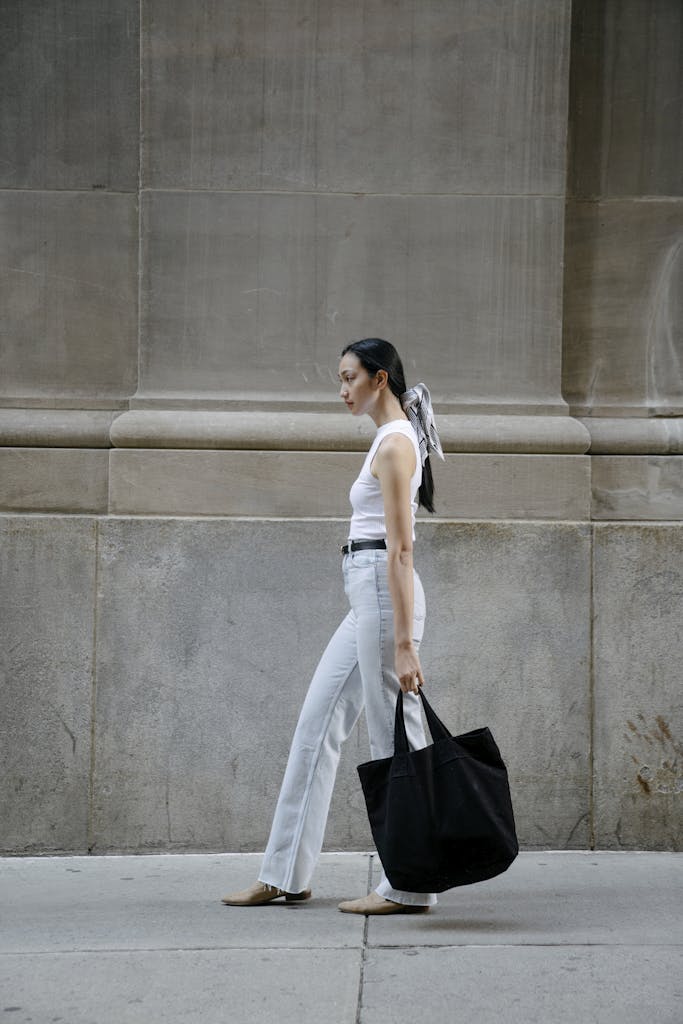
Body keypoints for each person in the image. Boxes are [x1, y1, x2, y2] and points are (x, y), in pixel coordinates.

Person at [221, 338, 444, 915]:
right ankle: (284, 874)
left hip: (381, 592)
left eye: (349, 379)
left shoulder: (395, 445)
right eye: (339, 380)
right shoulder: (387, 438)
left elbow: (400, 550)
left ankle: (411, 883)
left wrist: (402, 645)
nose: (342, 390)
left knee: (394, 738)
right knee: (316, 727)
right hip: (366, 594)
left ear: (381, 380)